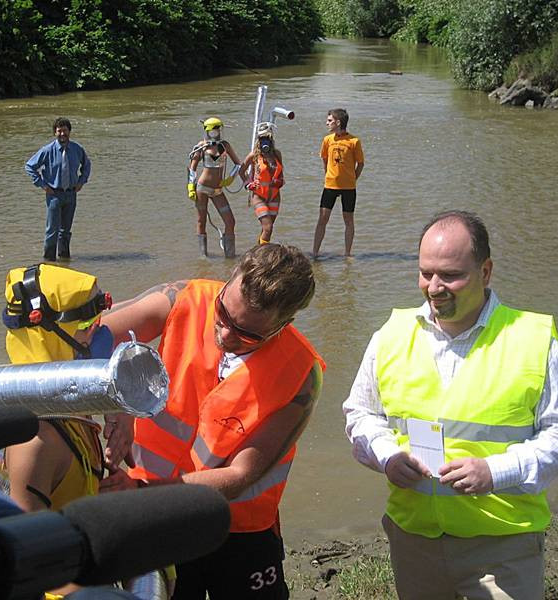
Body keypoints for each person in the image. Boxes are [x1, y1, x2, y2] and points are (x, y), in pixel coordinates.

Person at [343, 210, 558, 599]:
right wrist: (386, 456)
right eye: (426, 273)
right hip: (413, 540)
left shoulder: (534, 341)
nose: (435, 286)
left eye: (451, 275)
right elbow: (360, 413)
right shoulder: (390, 335)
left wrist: (496, 471)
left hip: (501, 545)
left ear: (486, 271)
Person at [100, 243, 325, 600]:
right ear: (229, 278)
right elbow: (92, 339)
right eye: (223, 312)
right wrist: (120, 404)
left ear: (285, 323)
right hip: (157, 514)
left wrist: (139, 494)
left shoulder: (300, 374)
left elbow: (239, 476)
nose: (225, 333)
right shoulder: (182, 299)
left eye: (247, 333)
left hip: (239, 529)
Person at [1, 263, 133, 598]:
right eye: (87, 325)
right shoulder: (34, 440)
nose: (99, 334)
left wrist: (117, 409)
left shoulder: (68, 406)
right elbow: (30, 564)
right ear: (44, 334)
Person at [25, 117, 91, 261]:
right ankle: (49, 262)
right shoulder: (47, 150)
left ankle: (64, 260)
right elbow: (30, 166)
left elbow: (87, 165)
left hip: (71, 194)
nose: (62, 134)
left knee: (65, 231)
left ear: (69, 132)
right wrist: (42, 184)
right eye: (59, 131)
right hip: (54, 195)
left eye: (65, 131)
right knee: (52, 231)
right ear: (55, 133)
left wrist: (81, 181)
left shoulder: (77, 149)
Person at [187, 117, 244, 258]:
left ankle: (230, 256)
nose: (215, 132)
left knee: (230, 221)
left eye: (217, 129)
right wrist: (190, 187)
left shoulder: (225, 145)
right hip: (202, 188)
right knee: (201, 221)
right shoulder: (202, 146)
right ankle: (203, 256)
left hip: (218, 190)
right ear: (206, 130)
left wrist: (230, 179)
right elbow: (192, 168)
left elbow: (238, 164)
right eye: (212, 129)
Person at [311, 108, 364, 259]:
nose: (327, 123)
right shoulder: (327, 140)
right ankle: (315, 252)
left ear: (338, 122)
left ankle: (347, 254)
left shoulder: (354, 141)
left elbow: (360, 163)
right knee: (322, 219)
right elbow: (324, 159)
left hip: (349, 187)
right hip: (330, 186)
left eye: (329, 121)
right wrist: (328, 175)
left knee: (348, 220)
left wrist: (353, 178)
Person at [241, 122, 285, 245]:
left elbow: (281, 174)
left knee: (267, 230)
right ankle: (263, 256)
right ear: (258, 139)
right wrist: (248, 184)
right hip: (259, 196)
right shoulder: (254, 155)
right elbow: (241, 171)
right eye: (262, 138)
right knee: (268, 227)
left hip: (275, 195)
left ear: (271, 138)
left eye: (267, 138)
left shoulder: (277, 154)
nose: (265, 141)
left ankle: (258, 251)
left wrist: (280, 181)